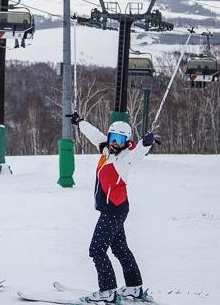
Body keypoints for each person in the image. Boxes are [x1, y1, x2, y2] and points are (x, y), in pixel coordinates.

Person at [70, 112, 155, 304]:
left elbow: (138, 155)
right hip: (115, 209)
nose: (114, 143)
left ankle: (107, 291)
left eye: (119, 140)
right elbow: (95, 134)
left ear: (126, 142)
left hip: (113, 210)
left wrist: (145, 144)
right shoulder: (107, 150)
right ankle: (134, 287)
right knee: (120, 248)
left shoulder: (125, 159)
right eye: (112, 138)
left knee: (97, 249)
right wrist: (80, 122)